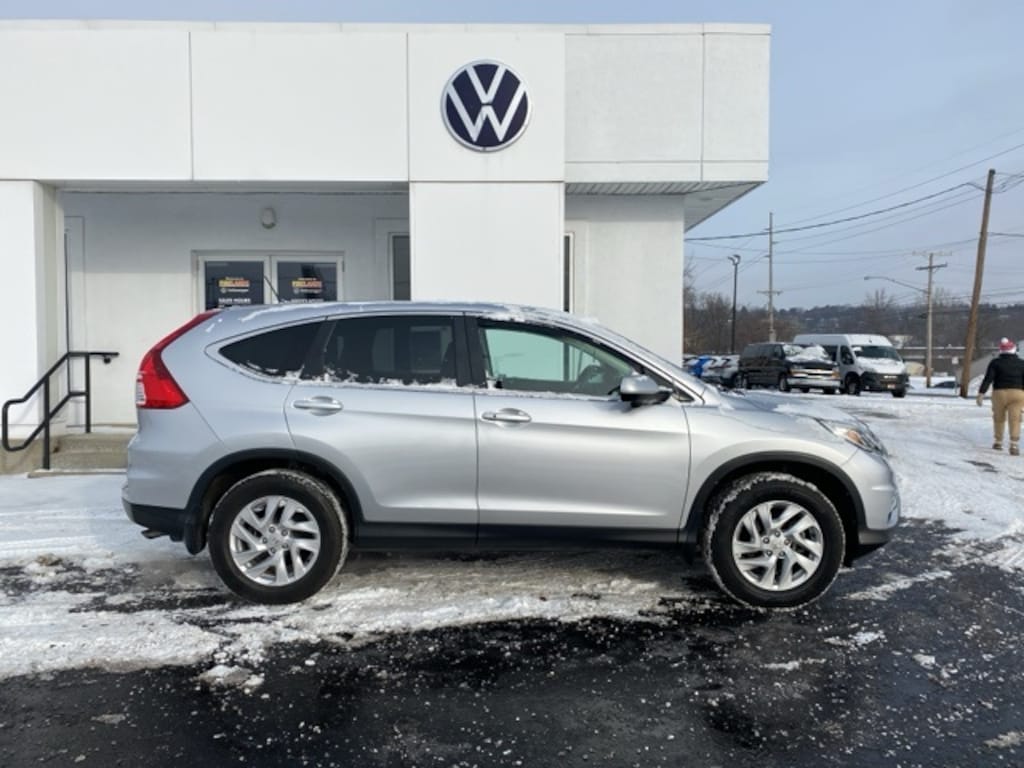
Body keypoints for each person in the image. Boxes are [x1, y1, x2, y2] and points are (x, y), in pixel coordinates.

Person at [976, 337, 1024, 455]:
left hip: (999, 393)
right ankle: (1014, 444)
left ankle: (998, 441)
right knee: (1015, 418)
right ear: (1014, 350)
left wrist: (981, 393)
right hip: (1017, 393)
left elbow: (988, 379)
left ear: (1001, 351)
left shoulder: (995, 362)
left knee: (999, 418)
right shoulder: (1022, 363)